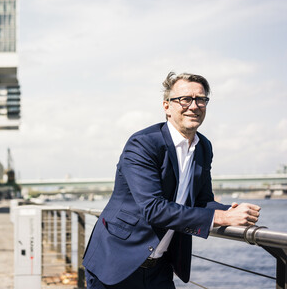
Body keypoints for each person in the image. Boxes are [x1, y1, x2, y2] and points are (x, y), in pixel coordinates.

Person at [82, 72, 261, 288]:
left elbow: (201, 202)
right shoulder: (143, 144)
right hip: (115, 263)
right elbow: (153, 208)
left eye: (201, 99)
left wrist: (233, 211)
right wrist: (221, 218)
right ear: (167, 106)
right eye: (185, 99)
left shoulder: (203, 147)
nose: (194, 106)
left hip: (160, 267)